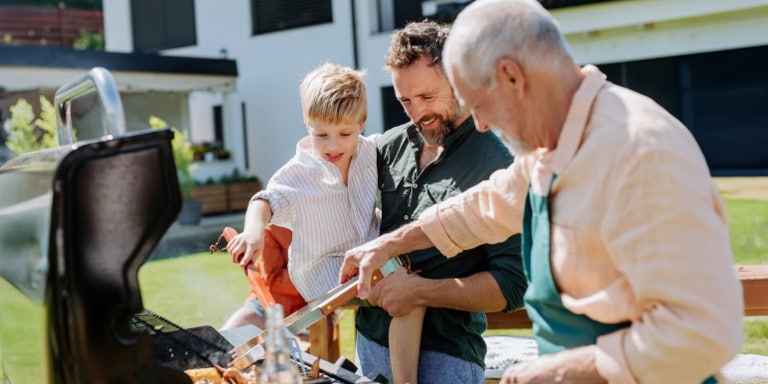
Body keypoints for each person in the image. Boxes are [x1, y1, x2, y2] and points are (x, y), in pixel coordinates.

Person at [340, 1, 744, 383]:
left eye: (479, 104)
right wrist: (391, 243)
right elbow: (487, 206)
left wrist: (568, 368)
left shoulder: (640, 151)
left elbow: (703, 330)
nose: (479, 125)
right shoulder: (553, 146)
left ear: (513, 76)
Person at [348, 21, 527, 384]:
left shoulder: (499, 165)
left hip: (447, 357)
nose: (417, 114)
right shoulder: (385, 147)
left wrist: (421, 292)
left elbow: (512, 284)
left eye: (427, 98)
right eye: (405, 101)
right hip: (370, 342)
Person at [225, 62, 425, 382]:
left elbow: (406, 139)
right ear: (308, 125)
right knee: (406, 298)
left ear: (361, 125)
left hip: (364, 256)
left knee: (411, 286)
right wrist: (252, 232)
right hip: (323, 271)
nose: (332, 146)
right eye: (321, 135)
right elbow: (263, 200)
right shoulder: (297, 174)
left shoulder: (369, 151)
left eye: (344, 134)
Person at [221, 224, 305, 330]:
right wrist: (314, 278)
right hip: (267, 304)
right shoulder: (271, 227)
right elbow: (274, 279)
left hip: (311, 306)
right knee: (225, 340)